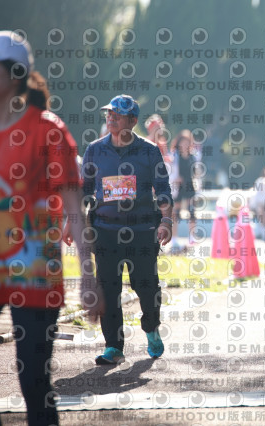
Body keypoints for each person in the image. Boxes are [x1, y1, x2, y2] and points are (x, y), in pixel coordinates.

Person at [0, 30, 103, 426]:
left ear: (14, 75)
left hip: (36, 274)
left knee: (33, 382)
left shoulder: (47, 130)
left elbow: (75, 209)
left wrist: (88, 277)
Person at [80, 94, 173, 365]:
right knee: (108, 290)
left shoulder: (149, 151)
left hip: (142, 231)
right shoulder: (95, 150)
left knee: (147, 287)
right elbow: (84, 191)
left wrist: (166, 222)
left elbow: (163, 190)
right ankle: (114, 346)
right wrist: (72, 222)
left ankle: (151, 327)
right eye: (108, 114)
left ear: (132, 121)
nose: (111, 118)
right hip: (105, 231)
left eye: (117, 115)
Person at [170, 129, 200, 250]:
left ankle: (192, 236)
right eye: (183, 141)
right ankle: (174, 238)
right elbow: (170, 171)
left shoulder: (194, 156)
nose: (185, 144)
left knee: (191, 211)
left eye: (187, 142)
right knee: (176, 212)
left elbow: (197, 172)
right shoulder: (174, 156)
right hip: (178, 187)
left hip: (190, 186)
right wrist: (175, 178)